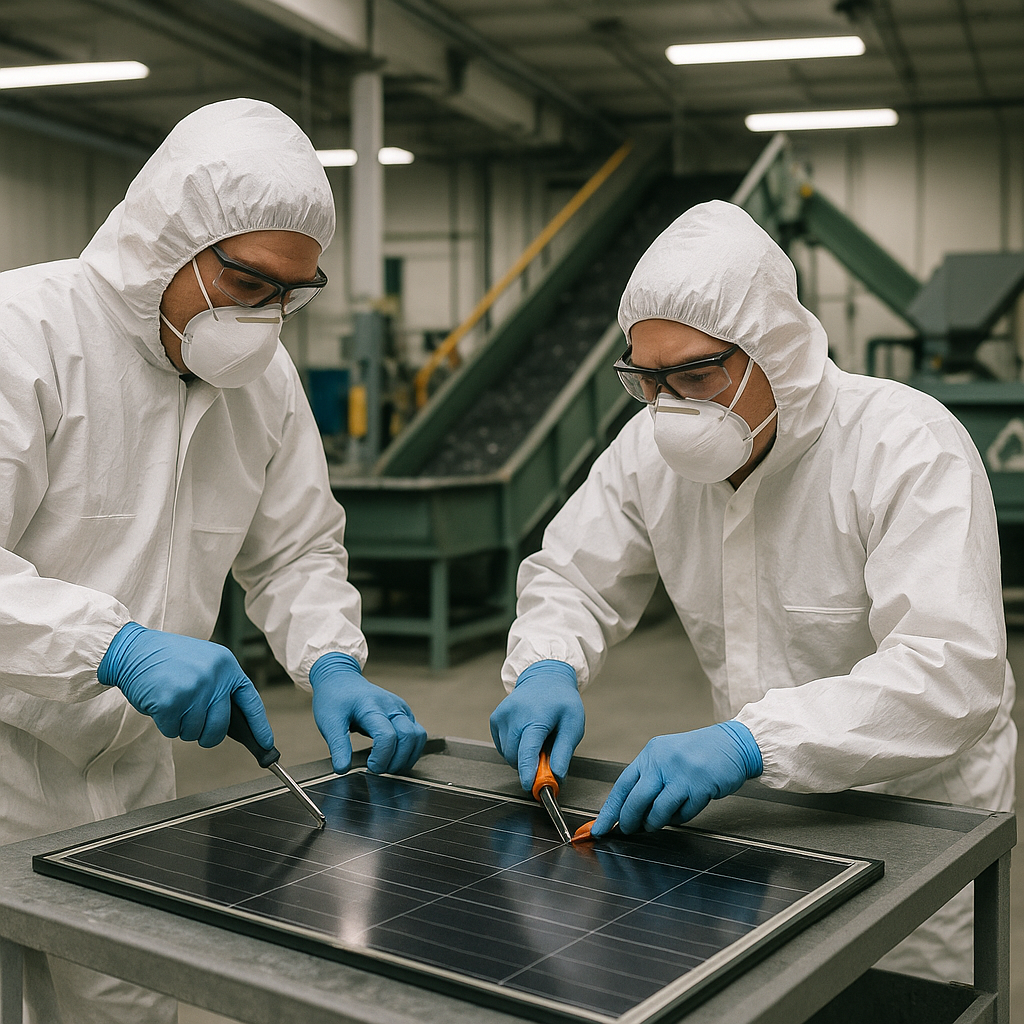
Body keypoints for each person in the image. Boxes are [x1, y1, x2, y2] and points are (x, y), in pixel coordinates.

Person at [489, 199, 1016, 984]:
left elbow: (950, 669)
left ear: (778, 352)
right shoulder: (647, 451)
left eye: (697, 375)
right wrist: (546, 664)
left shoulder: (904, 443)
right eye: (649, 378)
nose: (672, 407)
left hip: (913, 815)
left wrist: (746, 742)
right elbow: (572, 574)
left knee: (900, 1001)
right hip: (760, 817)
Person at [0, 98, 426, 1022]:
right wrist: (116, 648)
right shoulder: (24, 334)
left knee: (130, 1007)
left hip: (125, 774)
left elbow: (297, 547)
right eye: (248, 282)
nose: (269, 315)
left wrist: (332, 659)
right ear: (168, 240)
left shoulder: (262, 379)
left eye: (290, 294)